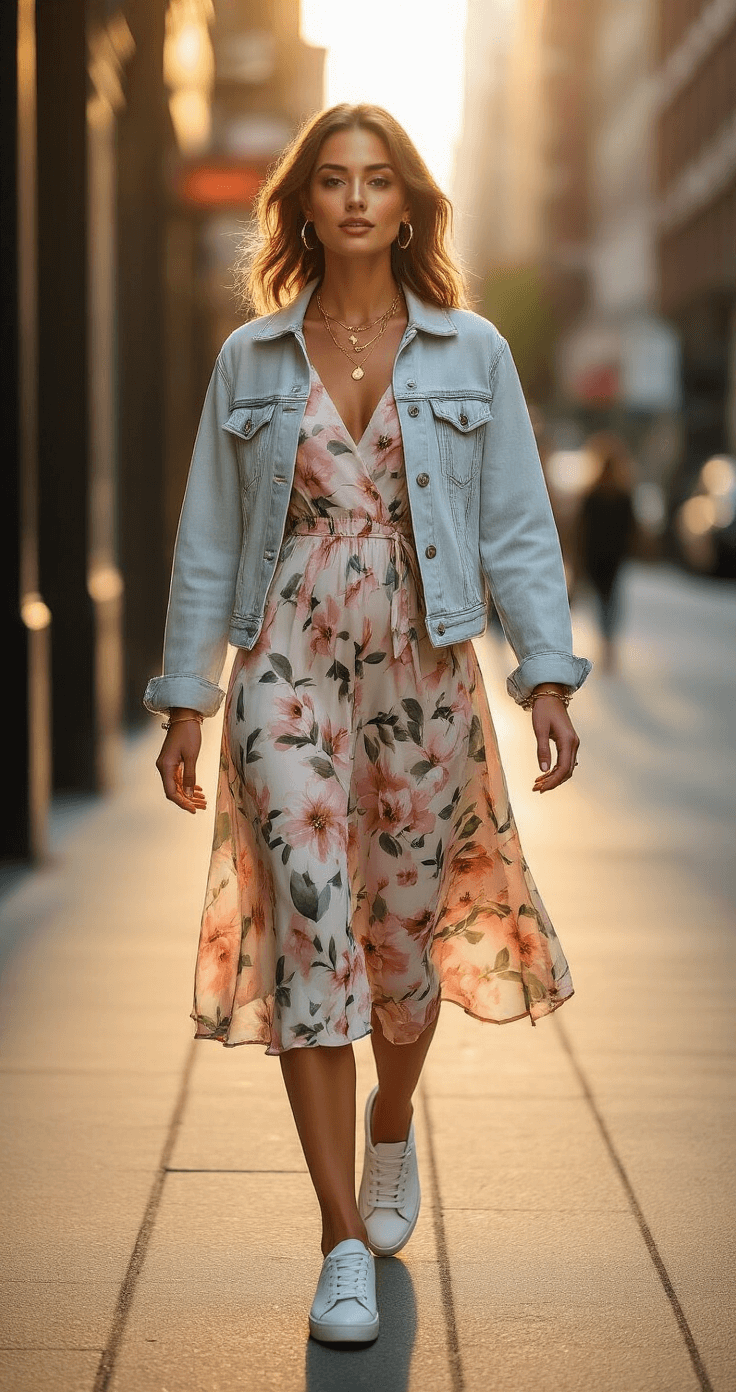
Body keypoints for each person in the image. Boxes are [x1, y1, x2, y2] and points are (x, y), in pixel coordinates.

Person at [143, 103, 591, 1346]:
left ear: (406, 206)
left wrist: (544, 676)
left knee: (399, 941)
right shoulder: (251, 362)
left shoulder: (472, 352)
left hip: (422, 676)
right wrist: (188, 698)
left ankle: (391, 1122)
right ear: (302, 203)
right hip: (284, 664)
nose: (352, 199)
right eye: (331, 180)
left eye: (375, 180)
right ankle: (340, 1237)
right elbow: (207, 542)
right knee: (308, 914)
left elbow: (511, 526)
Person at [578, 430, 636, 672]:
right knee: (609, 603)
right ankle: (608, 646)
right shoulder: (618, 495)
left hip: (602, 557)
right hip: (608, 557)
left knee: (606, 603)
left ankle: (607, 645)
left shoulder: (598, 494)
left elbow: (583, 529)